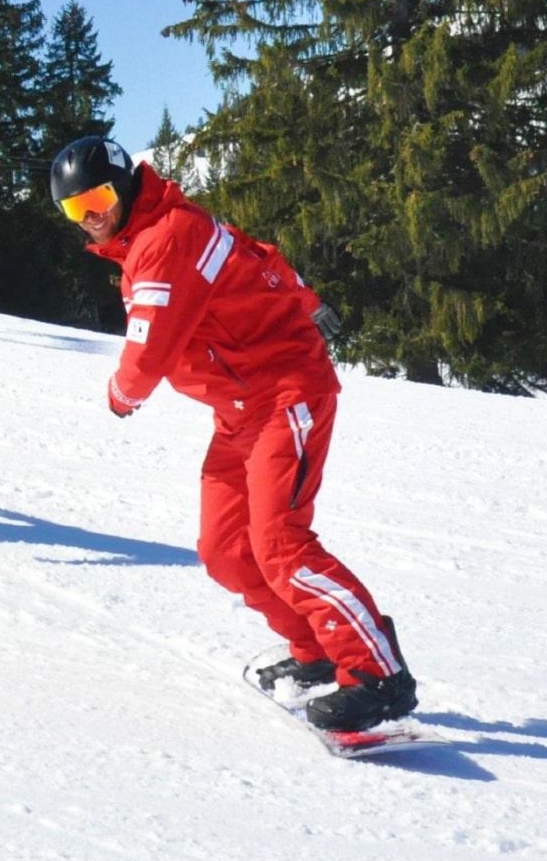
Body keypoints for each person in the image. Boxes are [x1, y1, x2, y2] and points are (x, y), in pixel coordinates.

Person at [51, 135, 417, 731]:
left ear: (122, 186)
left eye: (96, 198)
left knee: (280, 544)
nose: (92, 217)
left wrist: (121, 395)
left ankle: (377, 674)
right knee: (225, 551)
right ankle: (316, 649)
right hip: (239, 409)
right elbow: (256, 257)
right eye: (75, 209)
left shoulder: (163, 238)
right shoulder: (163, 227)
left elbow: (148, 349)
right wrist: (303, 293)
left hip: (285, 396)